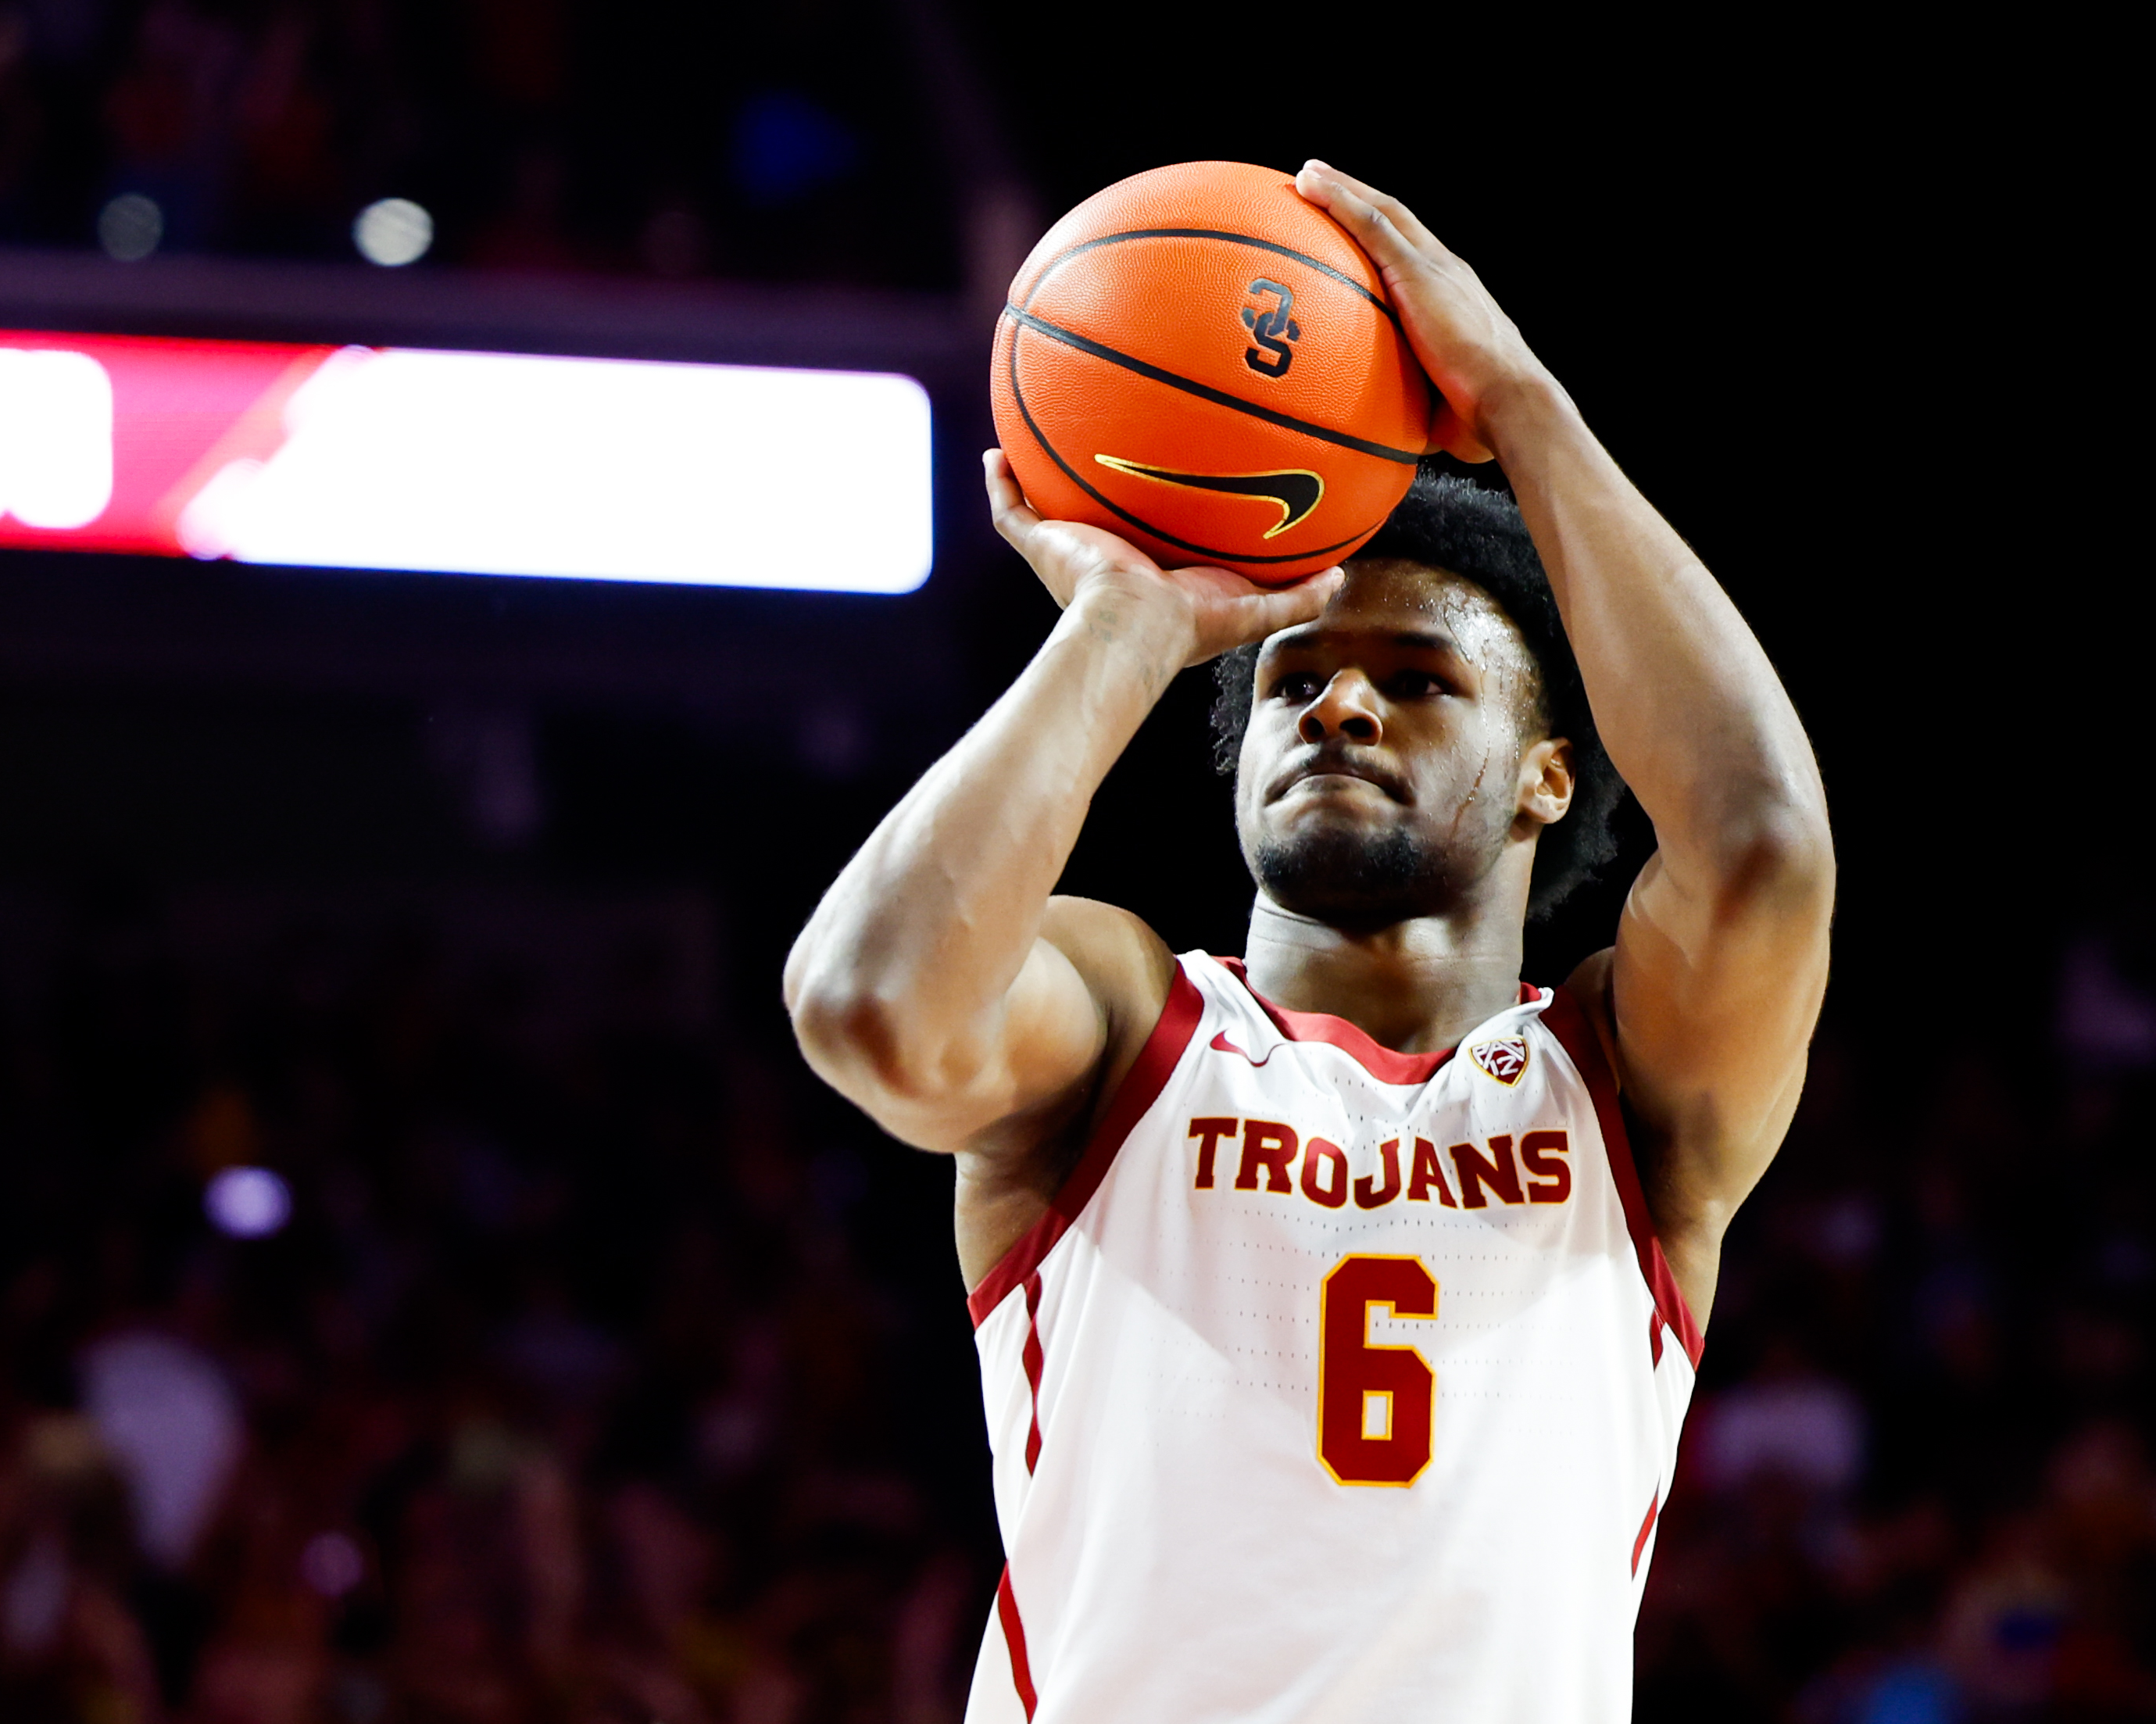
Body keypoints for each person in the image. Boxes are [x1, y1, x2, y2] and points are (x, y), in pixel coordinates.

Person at [781, 161, 1834, 1721]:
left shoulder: (1619, 1091)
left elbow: (1757, 846)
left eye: (1418, 679)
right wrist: (1123, 625)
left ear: (1550, 772)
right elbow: (868, 1004)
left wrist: (1523, 404)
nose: (1336, 700)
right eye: (1290, 681)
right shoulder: (1125, 1022)